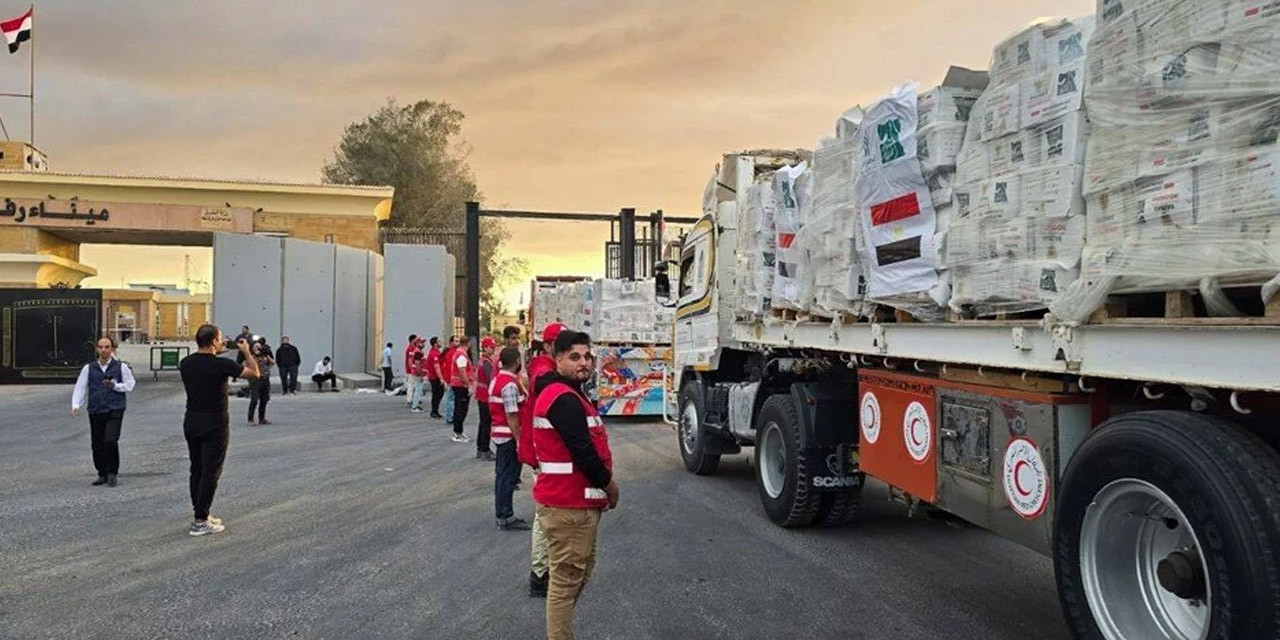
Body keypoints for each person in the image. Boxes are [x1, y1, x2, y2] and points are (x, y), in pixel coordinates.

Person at [533, 329, 617, 640]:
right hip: (567, 506)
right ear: (557, 360)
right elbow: (583, 452)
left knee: (573, 577)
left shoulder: (567, 394)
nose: (584, 363)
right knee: (566, 582)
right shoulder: (564, 399)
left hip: (573, 504)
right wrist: (610, 485)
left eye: (587, 356)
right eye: (574, 357)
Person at [179, 324, 260, 536]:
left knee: (196, 469)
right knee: (211, 472)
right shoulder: (222, 365)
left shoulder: (186, 363)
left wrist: (219, 348)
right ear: (214, 341)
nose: (223, 341)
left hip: (192, 421)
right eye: (220, 338)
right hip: (215, 423)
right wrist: (245, 352)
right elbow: (254, 373)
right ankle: (200, 521)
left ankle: (201, 512)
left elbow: (205, 360)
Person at [523, 322, 567, 597]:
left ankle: (544, 570)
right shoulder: (544, 370)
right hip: (542, 455)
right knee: (544, 516)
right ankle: (540, 574)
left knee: (548, 514)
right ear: (548, 346)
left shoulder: (545, 367)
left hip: (541, 452)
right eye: (559, 344)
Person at [71, 336, 136, 487]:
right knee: (97, 443)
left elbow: (130, 384)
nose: (104, 350)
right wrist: (76, 403)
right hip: (96, 409)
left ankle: (112, 472)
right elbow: (81, 386)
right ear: (97, 349)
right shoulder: (89, 368)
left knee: (110, 440)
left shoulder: (121, 367)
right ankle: (102, 473)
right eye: (101, 347)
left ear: (112, 349)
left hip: (115, 408)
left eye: (107, 347)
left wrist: (116, 386)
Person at [490, 346, 531, 530]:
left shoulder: (498, 380)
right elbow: (512, 415)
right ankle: (506, 515)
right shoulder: (509, 385)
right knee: (508, 477)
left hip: (500, 434)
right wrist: (519, 440)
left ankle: (503, 512)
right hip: (508, 436)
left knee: (502, 475)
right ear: (516, 362)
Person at [474, 336, 498, 460]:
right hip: (486, 397)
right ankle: (485, 449)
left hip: (481, 396)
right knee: (486, 424)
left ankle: (480, 448)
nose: (493, 349)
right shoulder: (487, 363)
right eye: (491, 347)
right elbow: (491, 380)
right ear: (485, 347)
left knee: (483, 423)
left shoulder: (483, 361)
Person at [448, 336, 473, 443]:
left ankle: (459, 431)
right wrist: (468, 385)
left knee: (460, 408)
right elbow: (462, 371)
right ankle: (457, 432)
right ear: (468, 344)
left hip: (458, 384)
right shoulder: (461, 355)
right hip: (460, 385)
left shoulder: (459, 353)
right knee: (461, 409)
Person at [247, 341, 274, 425]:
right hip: (256, 380)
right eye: (256, 346)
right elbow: (247, 365)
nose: (258, 348)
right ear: (253, 348)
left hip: (266, 379)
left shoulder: (265, 356)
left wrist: (266, 355)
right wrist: (256, 356)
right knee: (254, 399)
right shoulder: (251, 357)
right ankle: (250, 419)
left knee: (264, 400)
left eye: (259, 346)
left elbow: (273, 363)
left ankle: (262, 418)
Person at [441, 335, 459, 422]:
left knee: (450, 398)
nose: (457, 343)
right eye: (455, 341)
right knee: (451, 398)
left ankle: (450, 416)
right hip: (452, 379)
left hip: (449, 378)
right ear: (451, 342)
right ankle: (450, 416)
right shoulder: (453, 353)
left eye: (458, 341)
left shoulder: (449, 352)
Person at [425, 337, 444, 418]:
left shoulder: (436, 352)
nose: (441, 342)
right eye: (439, 341)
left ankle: (435, 410)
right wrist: (441, 378)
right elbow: (436, 367)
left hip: (434, 377)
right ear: (435, 343)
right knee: (437, 394)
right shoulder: (434, 354)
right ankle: (434, 411)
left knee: (438, 394)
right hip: (435, 377)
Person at [409, 338, 427, 412]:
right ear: (417, 343)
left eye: (423, 342)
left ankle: (415, 405)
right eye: (421, 343)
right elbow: (418, 364)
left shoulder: (418, 351)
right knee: (418, 390)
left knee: (417, 389)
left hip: (417, 372)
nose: (423, 344)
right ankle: (415, 407)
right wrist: (421, 375)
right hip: (418, 373)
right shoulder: (418, 352)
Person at [403, 334, 418, 406]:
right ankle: (409, 400)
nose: (417, 340)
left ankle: (413, 398)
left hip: (413, 369)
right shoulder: (410, 348)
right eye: (416, 339)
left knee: (413, 385)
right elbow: (410, 360)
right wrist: (412, 370)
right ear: (412, 340)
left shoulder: (414, 348)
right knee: (411, 385)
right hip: (411, 370)